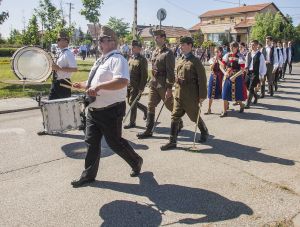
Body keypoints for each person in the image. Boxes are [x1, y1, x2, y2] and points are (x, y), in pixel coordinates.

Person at [71, 26, 143, 188]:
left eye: (101, 41)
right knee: (91, 143)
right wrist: (82, 85)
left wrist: (98, 88)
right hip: (94, 110)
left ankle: (136, 161)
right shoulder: (100, 59)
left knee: (114, 143)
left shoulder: (118, 60)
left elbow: (122, 81)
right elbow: (94, 83)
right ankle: (88, 175)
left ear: (111, 42)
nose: (98, 44)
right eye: (98, 41)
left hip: (111, 110)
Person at [160, 36, 208, 150]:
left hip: (190, 95)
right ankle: (172, 141)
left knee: (194, 116)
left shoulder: (196, 61)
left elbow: (202, 79)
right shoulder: (180, 59)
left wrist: (202, 96)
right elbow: (176, 75)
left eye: (183, 44)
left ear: (190, 46)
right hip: (178, 93)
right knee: (174, 116)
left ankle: (204, 130)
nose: (180, 47)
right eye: (180, 45)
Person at [136, 29, 182, 139]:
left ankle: (179, 120)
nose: (155, 39)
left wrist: (169, 88)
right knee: (150, 105)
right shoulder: (155, 51)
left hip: (163, 84)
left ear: (163, 38)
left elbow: (170, 72)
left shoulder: (168, 53)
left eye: (157, 37)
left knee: (170, 106)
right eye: (154, 37)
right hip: (154, 82)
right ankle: (148, 130)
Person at [124, 40, 148, 129]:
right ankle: (145, 109)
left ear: (139, 49)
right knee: (130, 102)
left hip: (137, 85)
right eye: (132, 47)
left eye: (134, 47)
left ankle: (132, 122)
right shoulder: (131, 58)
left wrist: (141, 87)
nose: (132, 48)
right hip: (129, 84)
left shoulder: (142, 60)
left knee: (132, 102)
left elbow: (144, 75)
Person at [48, 31, 78, 100]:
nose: (57, 41)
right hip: (56, 83)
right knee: (51, 106)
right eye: (57, 39)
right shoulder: (60, 52)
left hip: (64, 84)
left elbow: (75, 69)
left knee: (64, 108)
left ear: (66, 41)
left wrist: (59, 68)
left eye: (59, 40)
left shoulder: (68, 53)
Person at [220, 41, 246, 117]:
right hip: (227, 76)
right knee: (225, 93)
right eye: (230, 47)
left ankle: (241, 105)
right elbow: (221, 66)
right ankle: (224, 112)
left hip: (237, 77)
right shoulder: (227, 55)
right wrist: (225, 73)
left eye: (233, 47)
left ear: (237, 48)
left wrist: (234, 76)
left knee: (236, 96)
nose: (231, 48)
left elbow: (242, 70)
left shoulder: (240, 56)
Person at [244, 40, 267, 109]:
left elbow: (263, 66)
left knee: (251, 87)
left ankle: (247, 103)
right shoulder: (248, 54)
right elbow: (246, 62)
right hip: (249, 72)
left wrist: (262, 75)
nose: (252, 46)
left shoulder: (260, 55)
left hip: (255, 73)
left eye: (253, 45)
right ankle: (256, 96)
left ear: (257, 46)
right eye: (251, 45)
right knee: (247, 85)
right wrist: (246, 68)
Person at [205, 46, 224, 114]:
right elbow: (210, 68)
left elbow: (223, 66)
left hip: (221, 77)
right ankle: (209, 109)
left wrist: (218, 60)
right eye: (215, 51)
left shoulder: (223, 58)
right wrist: (214, 61)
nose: (216, 53)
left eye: (217, 51)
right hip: (213, 77)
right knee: (210, 93)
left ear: (221, 52)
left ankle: (224, 109)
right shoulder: (212, 59)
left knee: (222, 93)